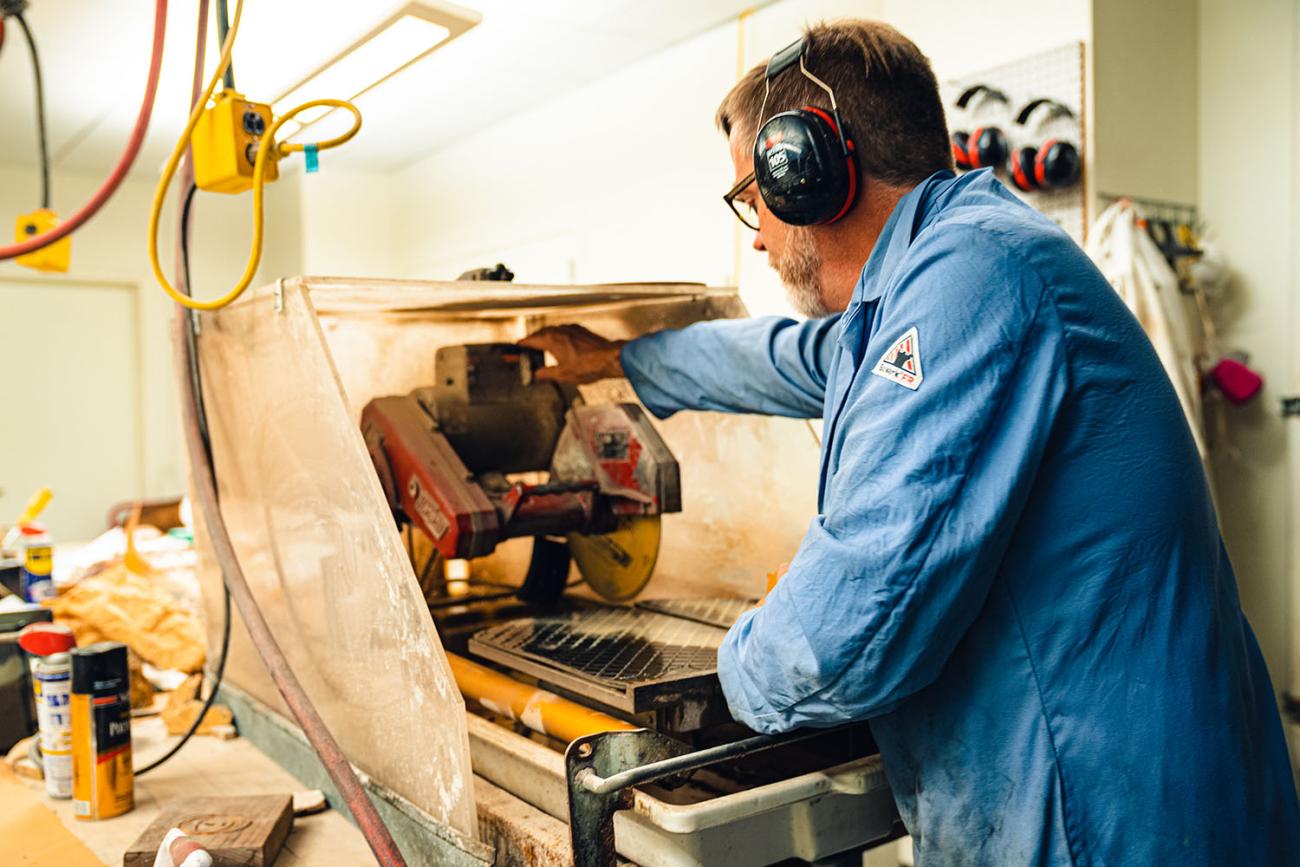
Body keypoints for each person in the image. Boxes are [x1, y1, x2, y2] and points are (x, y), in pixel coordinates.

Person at [522, 19, 1299, 866]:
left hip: (1115, 818)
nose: (756, 234)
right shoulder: (925, 282)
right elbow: (788, 357)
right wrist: (623, 361)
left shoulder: (974, 273)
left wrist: (711, 672)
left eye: (754, 197)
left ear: (807, 173)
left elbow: (846, 636)